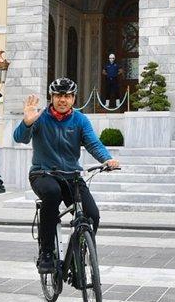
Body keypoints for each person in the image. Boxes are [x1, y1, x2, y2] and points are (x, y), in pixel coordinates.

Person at [13, 77, 120, 274]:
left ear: (73, 98)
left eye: (68, 96)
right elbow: (20, 138)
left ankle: (76, 256)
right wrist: (27, 122)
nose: (63, 100)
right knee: (52, 194)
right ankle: (46, 253)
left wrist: (107, 159)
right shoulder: (41, 117)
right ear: (51, 97)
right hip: (42, 173)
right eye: (59, 96)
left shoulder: (80, 119)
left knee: (92, 215)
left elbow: (93, 144)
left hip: (71, 175)